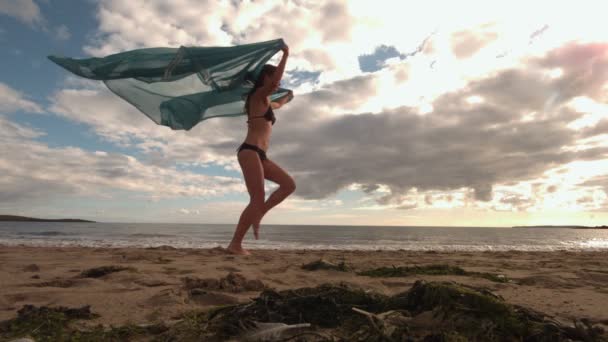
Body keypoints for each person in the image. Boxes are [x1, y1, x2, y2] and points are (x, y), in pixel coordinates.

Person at [227, 44, 295, 255]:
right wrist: (285, 55)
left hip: (261, 155)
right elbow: (274, 83)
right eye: (274, 78)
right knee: (256, 198)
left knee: (288, 185)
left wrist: (287, 96)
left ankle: (259, 215)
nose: (278, 83)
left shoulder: (266, 102)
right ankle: (235, 244)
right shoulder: (256, 96)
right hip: (249, 151)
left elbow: (278, 105)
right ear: (265, 78)